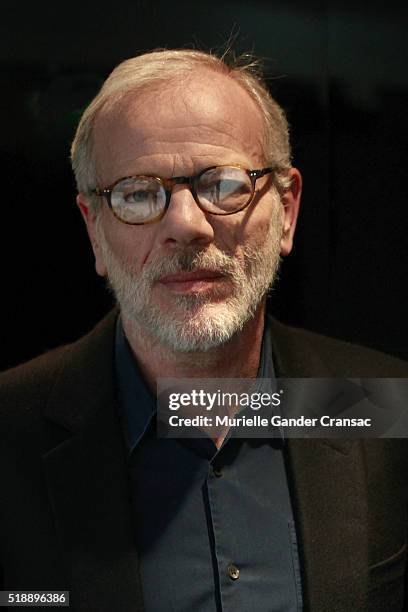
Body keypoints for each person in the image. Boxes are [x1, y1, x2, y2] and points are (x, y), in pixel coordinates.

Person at [1, 48, 407, 612]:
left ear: (286, 210)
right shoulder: (11, 432)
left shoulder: (383, 407)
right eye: (138, 194)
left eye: (223, 185)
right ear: (94, 231)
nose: (186, 226)